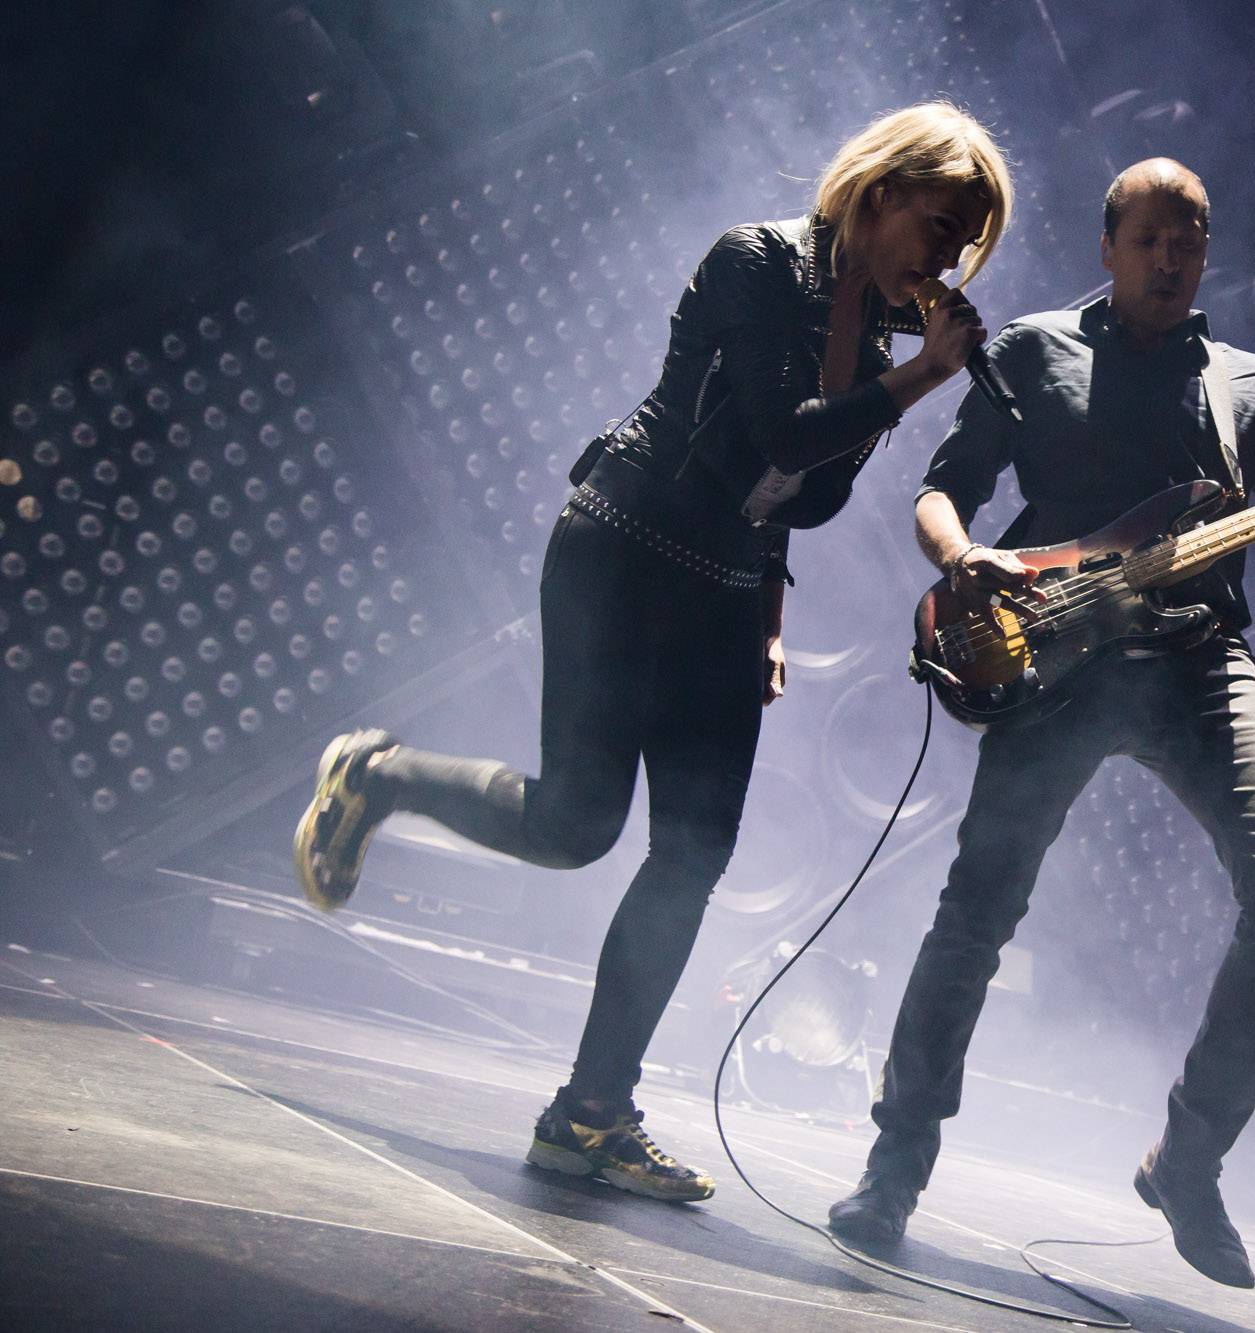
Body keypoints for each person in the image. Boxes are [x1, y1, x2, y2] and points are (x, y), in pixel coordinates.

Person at [292, 102, 1010, 1203]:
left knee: (690, 854)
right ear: (877, 193)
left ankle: (589, 1111)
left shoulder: (870, 340)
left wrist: (769, 609)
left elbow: (799, 500)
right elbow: (773, 432)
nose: (947, 260)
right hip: (623, 551)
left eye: (965, 243)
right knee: (575, 826)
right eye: (941, 223)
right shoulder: (756, 263)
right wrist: (912, 386)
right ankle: (376, 774)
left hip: (723, 590)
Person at [826, 158, 1255, 1286]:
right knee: (975, 913)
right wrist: (961, 559)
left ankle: (1189, 1155)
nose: (1172, 257)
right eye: (1152, 238)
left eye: (1192, 239)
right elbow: (940, 489)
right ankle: (894, 1165)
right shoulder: (1027, 351)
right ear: (1108, 247)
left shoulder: (1252, 388)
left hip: (1196, 662)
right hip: (1053, 659)